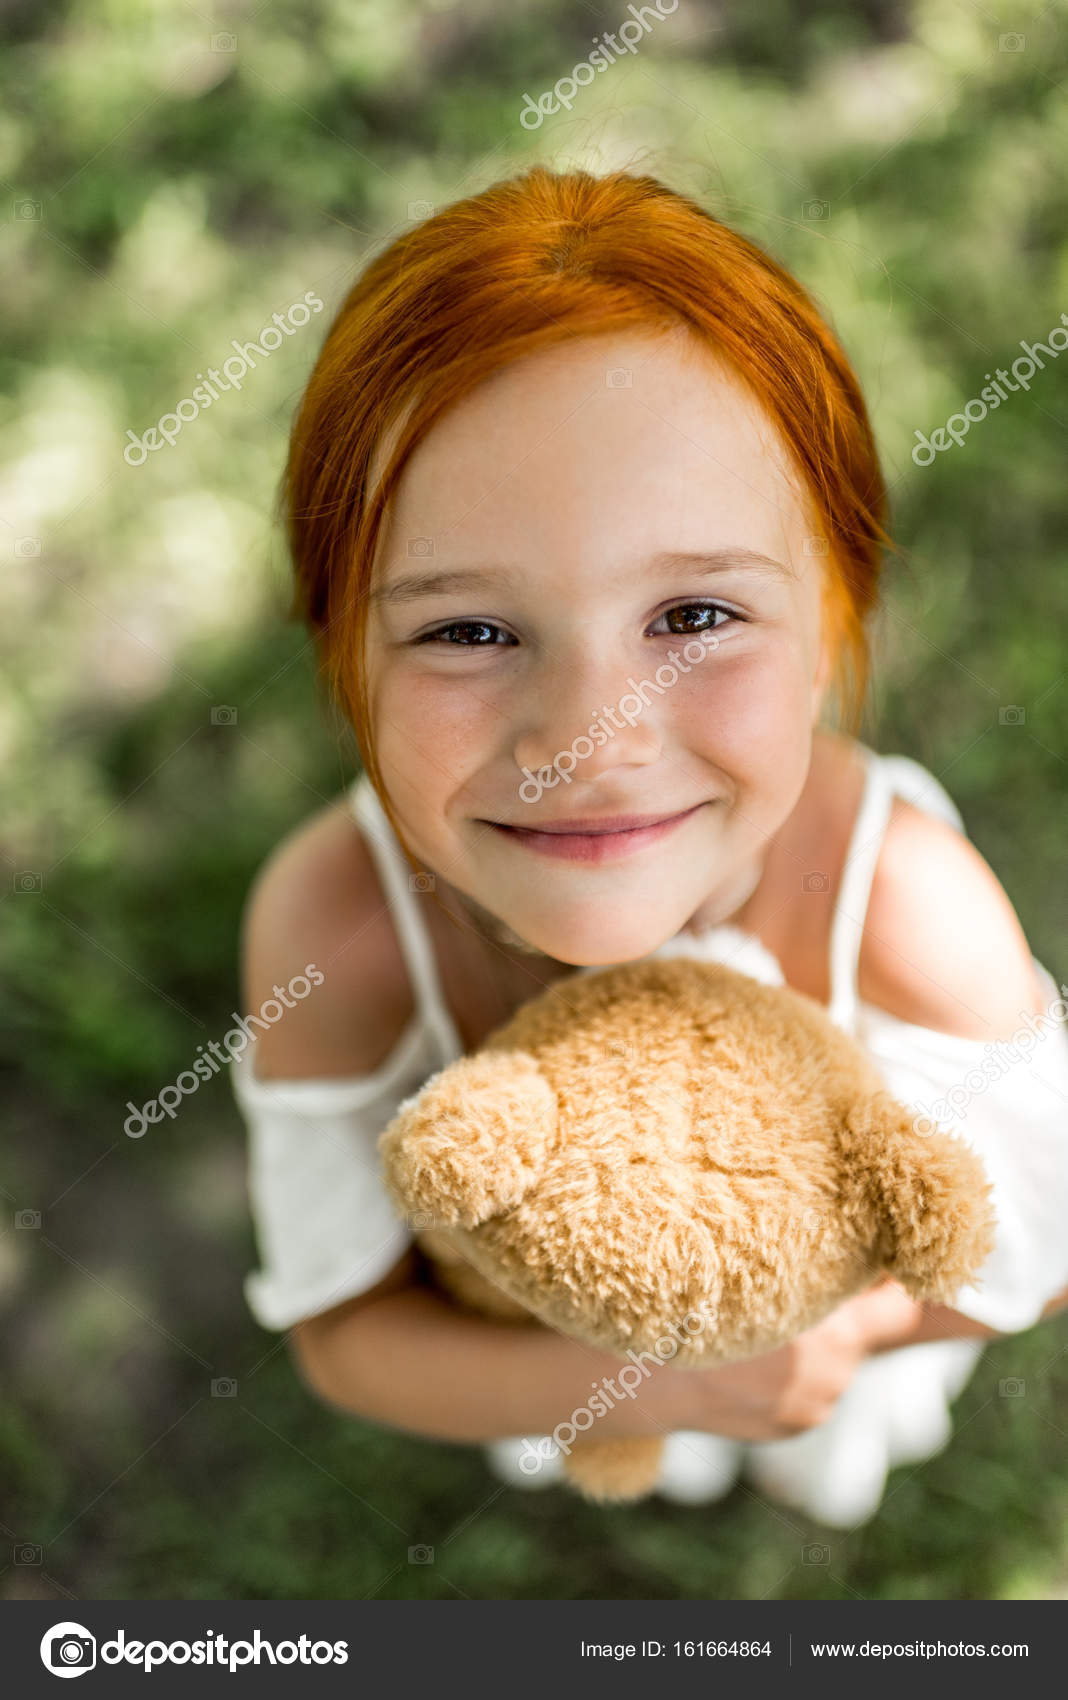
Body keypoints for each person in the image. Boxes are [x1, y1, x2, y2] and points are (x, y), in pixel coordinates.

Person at [232, 167, 1068, 1528]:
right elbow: (344, 1333)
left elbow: (1031, 1256)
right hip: (564, 1373)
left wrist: (817, 1349)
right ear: (344, 657)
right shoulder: (338, 928)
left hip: (821, 1353)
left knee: (815, 1452)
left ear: (833, 619)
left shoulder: (908, 913)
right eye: (468, 632)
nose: (589, 740)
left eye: (690, 616)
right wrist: (635, 1391)